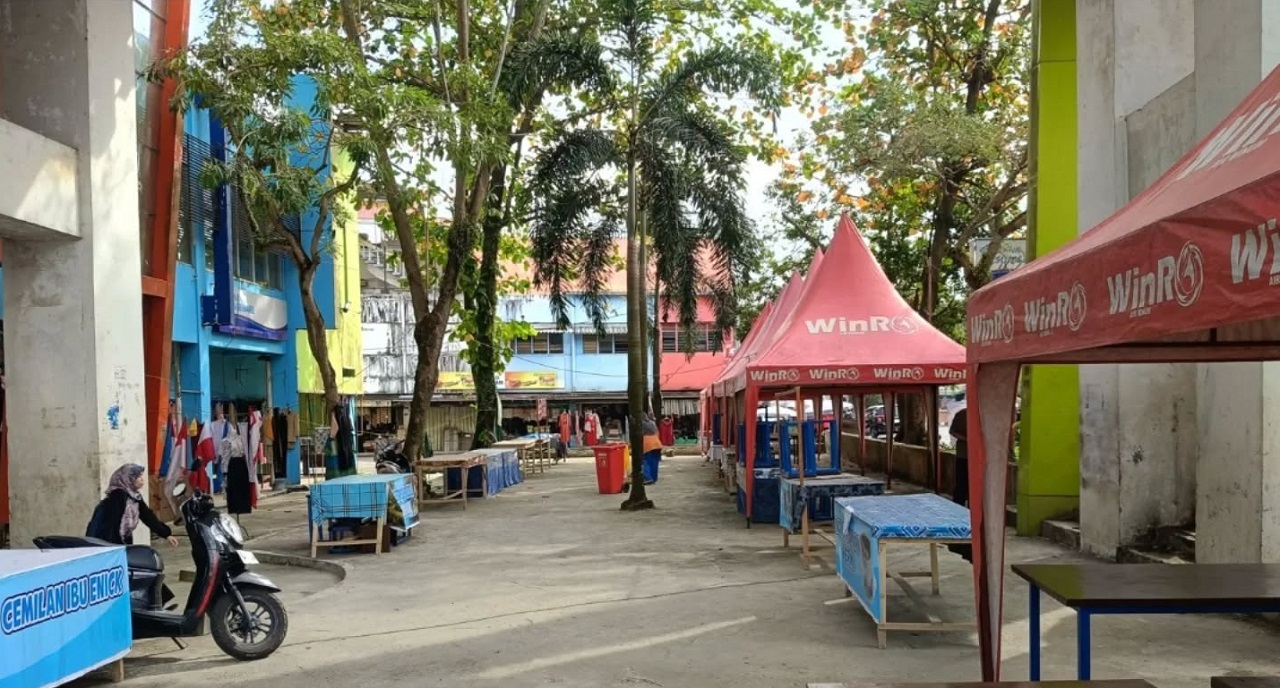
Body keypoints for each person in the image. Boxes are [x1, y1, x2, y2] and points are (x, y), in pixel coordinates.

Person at [92, 464, 179, 547]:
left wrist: (166, 534)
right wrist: (116, 547)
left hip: (124, 539)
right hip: (110, 542)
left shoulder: (134, 495)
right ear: (129, 479)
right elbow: (111, 525)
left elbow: (147, 516)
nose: (142, 479)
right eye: (138, 477)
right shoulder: (118, 495)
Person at [947, 405, 972, 563]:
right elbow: (953, 431)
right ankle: (957, 515)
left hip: (977, 456)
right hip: (963, 456)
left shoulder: (983, 413)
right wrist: (967, 439)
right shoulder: (962, 414)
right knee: (961, 488)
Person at [641, 413, 663, 485]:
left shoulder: (641, 424)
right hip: (657, 443)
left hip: (647, 443)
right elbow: (657, 433)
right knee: (654, 462)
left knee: (646, 461)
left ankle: (648, 478)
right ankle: (654, 478)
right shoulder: (652, 422)